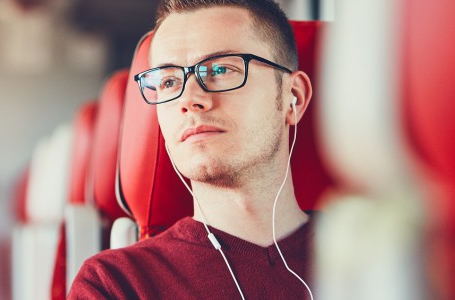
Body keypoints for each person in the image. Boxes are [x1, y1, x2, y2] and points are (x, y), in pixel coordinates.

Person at [68, 0, 315, 299]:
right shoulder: (116, 284)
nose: (189, 98)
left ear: (294, 98)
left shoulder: (371, 255)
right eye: (169, 81)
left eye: (222, 69)